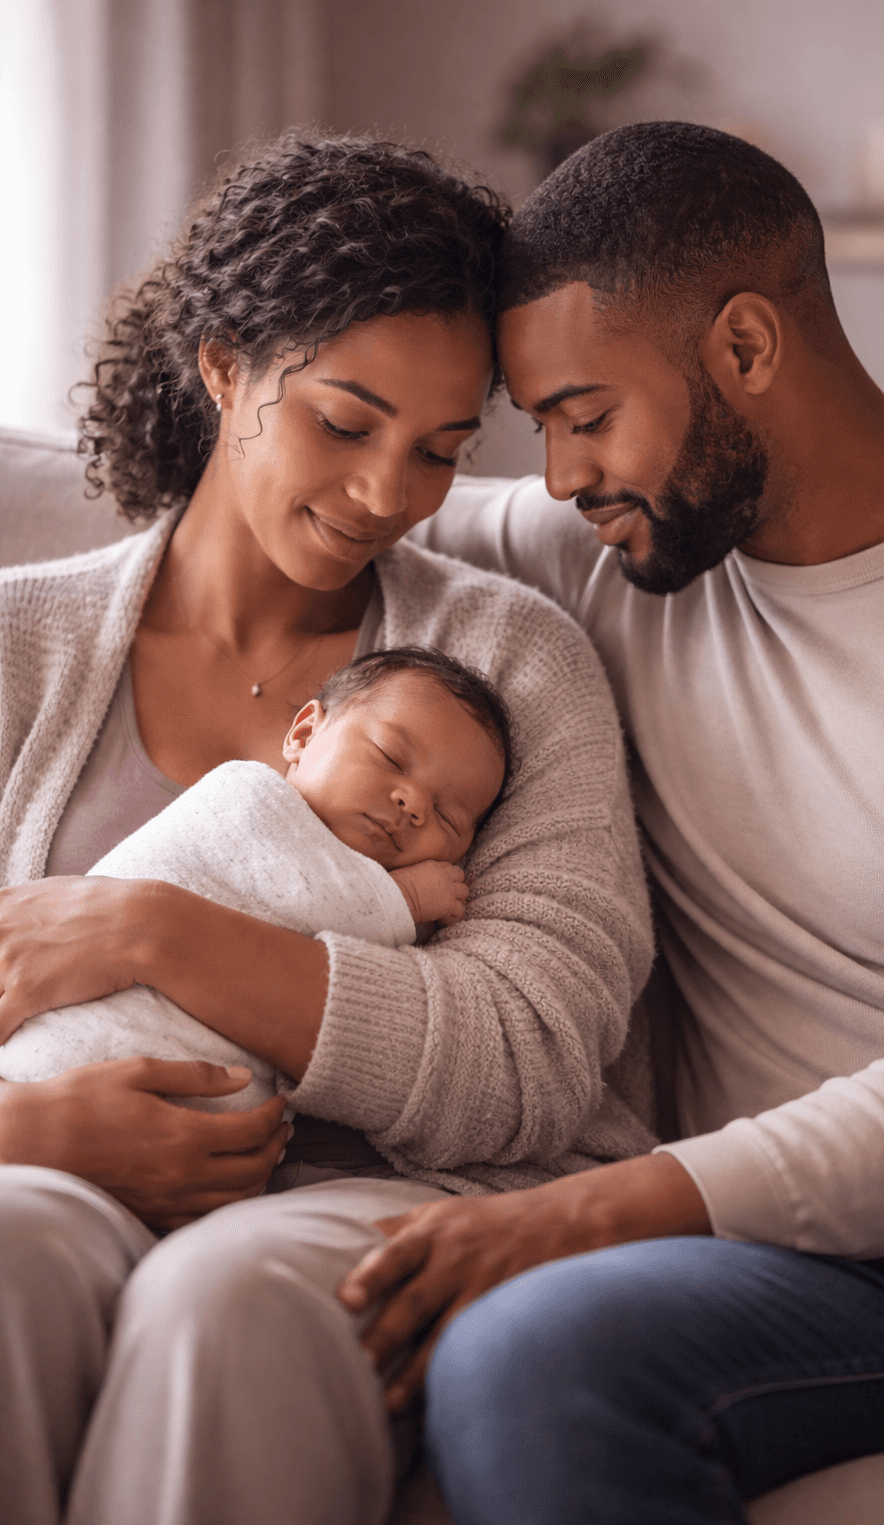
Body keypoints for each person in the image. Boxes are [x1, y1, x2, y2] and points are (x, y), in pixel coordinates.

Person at [338, 122, 884, 1522]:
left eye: (586, 415)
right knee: (526, 1357)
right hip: (792, 1262)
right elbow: (312, 505)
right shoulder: (616, 550)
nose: (558, 476)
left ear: (748, 351)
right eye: (539, 430)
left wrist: (589, 1210)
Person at [0, 132, 655, 1525]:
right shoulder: (17, 652)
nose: (386, 497)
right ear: (226, 367)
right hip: (45, 1153)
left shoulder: (511, 662)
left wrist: (157, 931)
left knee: (222, 1295)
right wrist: (30, 1130)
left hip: (399, 1190)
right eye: (343, 424)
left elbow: (531, 1054)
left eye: (438, 452)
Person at [1, 647, 513, 1111]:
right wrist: (407, 897)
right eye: (390, 757)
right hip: (77, 1047)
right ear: (304, 734)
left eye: (449, 818)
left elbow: (360, 986)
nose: (415, 803)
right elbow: (310, 895)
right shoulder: (248, 800)